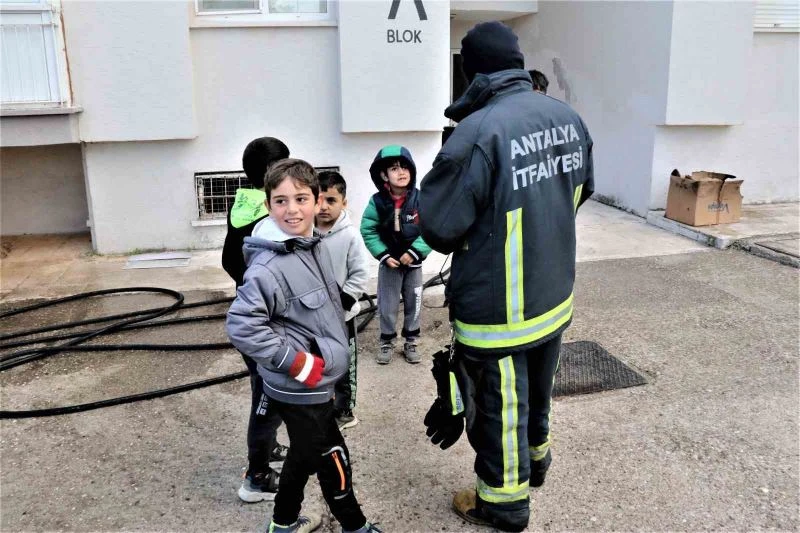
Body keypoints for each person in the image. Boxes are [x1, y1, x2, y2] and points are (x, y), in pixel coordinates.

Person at [419, 21, 594, 532]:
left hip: (499, 310)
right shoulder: (566, 117)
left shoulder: (477, 133)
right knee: (539, 391)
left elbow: (440, 227)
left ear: (472, 72)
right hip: (552, 294)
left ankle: (503, 503)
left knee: (499, 409)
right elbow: (580, 191)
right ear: (516, 63)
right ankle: (536, 463)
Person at [226, 159, 380, 533]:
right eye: (281, 201)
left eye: (300, 198)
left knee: (304, 452)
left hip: (317, 381)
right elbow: (242, 325)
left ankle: (283, 523)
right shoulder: (269, 265)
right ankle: (354, 525)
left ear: (316, 200)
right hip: (298, 385)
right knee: (332, 456)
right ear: (268, 205)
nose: (291, 210)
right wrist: (296, 363)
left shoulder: (312, 246)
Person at [221, 136, 290, 503]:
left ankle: (269, 447)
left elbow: (228, 260)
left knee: (263, 389)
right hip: (264, 322)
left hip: (250, 314)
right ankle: (257, 477)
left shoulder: (243, 204)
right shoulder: (269, 215)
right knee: (268, 396)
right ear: (271, 171)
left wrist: (246, 286)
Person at [360, 145, 431, 365]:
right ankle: (387, 341)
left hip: (413, 265)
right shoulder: (377, 202)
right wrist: (382, 254)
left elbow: (431, 229)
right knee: (387, 304)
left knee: (414, 302)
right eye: (394, 168)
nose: (401, 172)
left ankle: (411, 340)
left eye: (405, 167)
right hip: (389, 265)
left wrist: (415, 252)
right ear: (383, 175)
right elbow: (368, 230)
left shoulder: (421, 200)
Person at [316, 170, 369, 430]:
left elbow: (360, 274)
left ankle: (345, 411)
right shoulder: (306, 232)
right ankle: (319, 406)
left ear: (344, 203)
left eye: (331, 200)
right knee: (318, 362)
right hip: (313, 316)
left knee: (344, 366)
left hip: (342, 317)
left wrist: (343, 302)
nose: (324, 206)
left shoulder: (350, 236)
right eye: (319, 200)